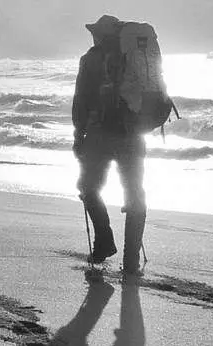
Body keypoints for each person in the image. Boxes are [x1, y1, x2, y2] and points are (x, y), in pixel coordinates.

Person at [72, 15, 148, 272]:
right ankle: (130, 261)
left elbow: (80, 102)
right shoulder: (135, 57)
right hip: (134, 135)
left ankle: (104, 241)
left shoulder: (90, 59)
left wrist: (78, 136)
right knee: (135, 195)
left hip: (99, 136)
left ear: (100, 36)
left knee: (88, 187)